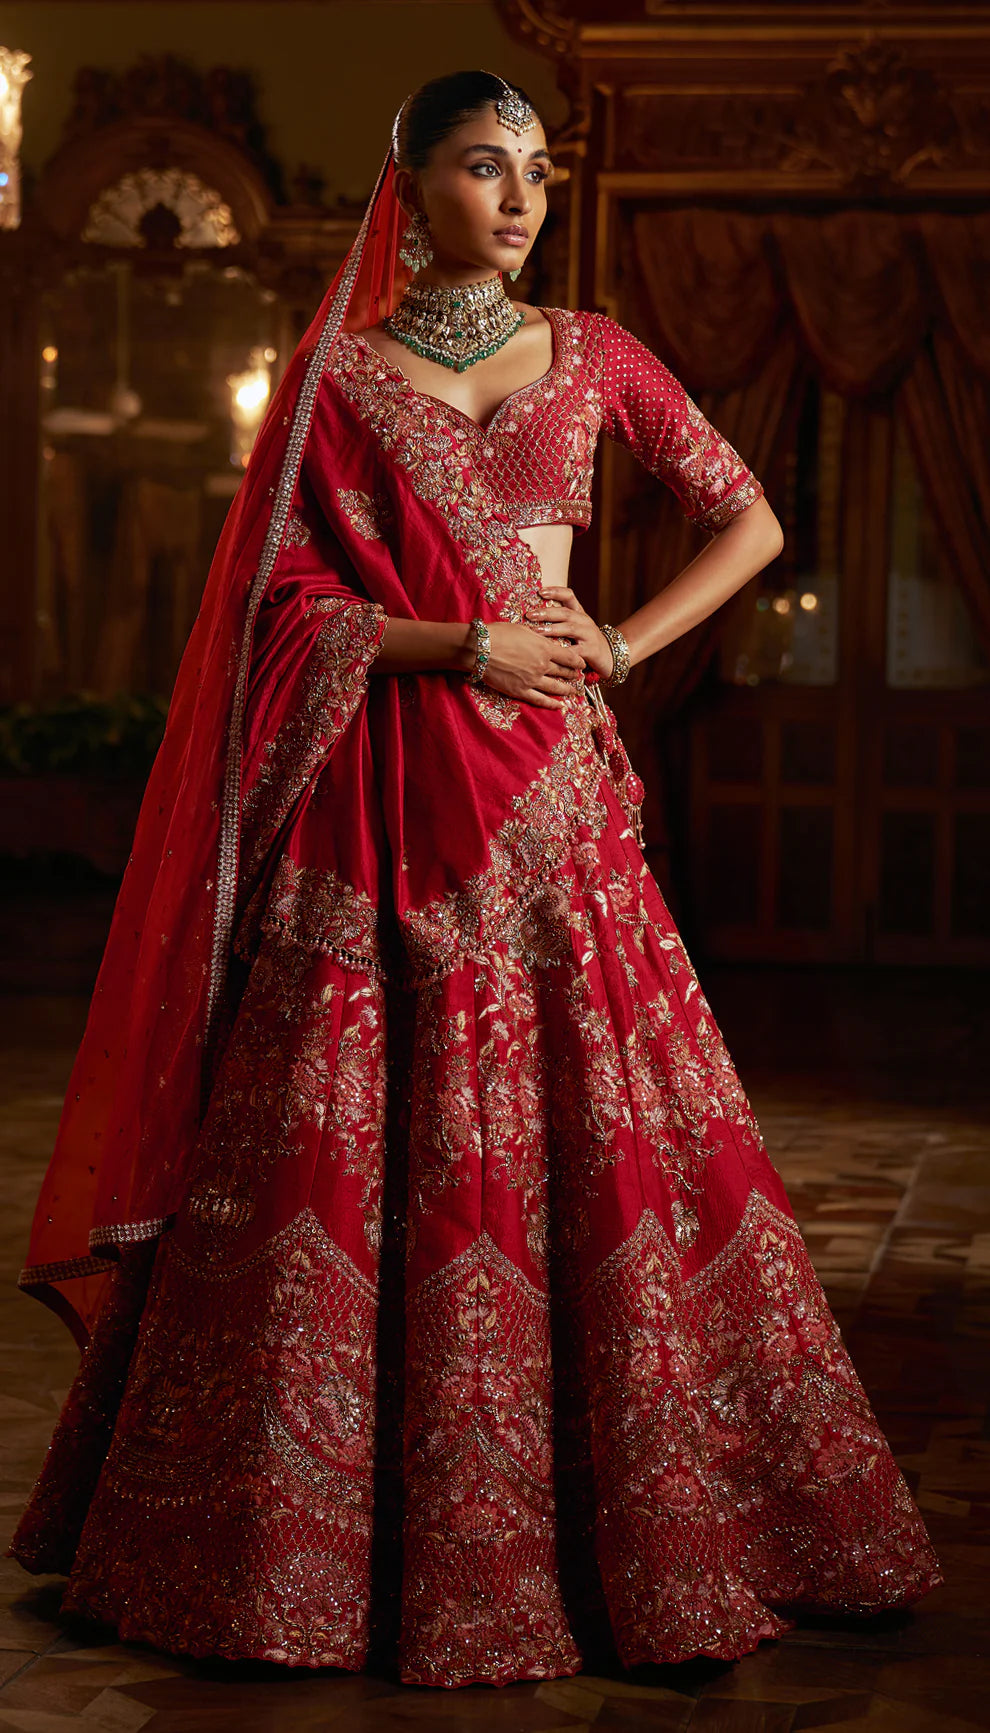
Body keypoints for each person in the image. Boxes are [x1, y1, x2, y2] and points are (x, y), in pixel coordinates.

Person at [10, 70, 940, 1690]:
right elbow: (276, 606)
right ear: (409, 181)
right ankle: (286, 1549)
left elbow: (751, 519)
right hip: (374, 801)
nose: (514, 198)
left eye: (532, 172)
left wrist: (616, 648)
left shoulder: (595, 354)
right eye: (479, 167)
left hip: (548, 805)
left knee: (610, 1148)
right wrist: (462, 640)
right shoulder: (334, 377)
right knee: (333, 1142)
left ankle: (641, 1533)